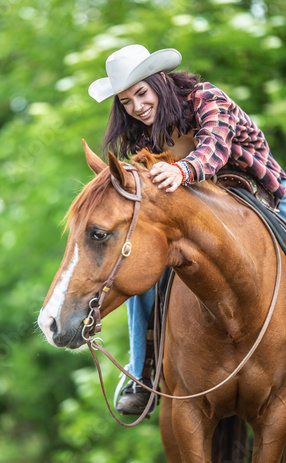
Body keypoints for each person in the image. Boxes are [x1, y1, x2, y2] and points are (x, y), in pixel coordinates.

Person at [88, 44, 286, 415]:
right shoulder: (144, 135)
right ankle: (141, 371)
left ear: (160, 82)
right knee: (140, 267)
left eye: (141, 93)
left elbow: (214, 148)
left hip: (263, 195)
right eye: (126, 101)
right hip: (196, 220)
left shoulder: (207, 98)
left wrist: (181, 170)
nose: (137, 107)